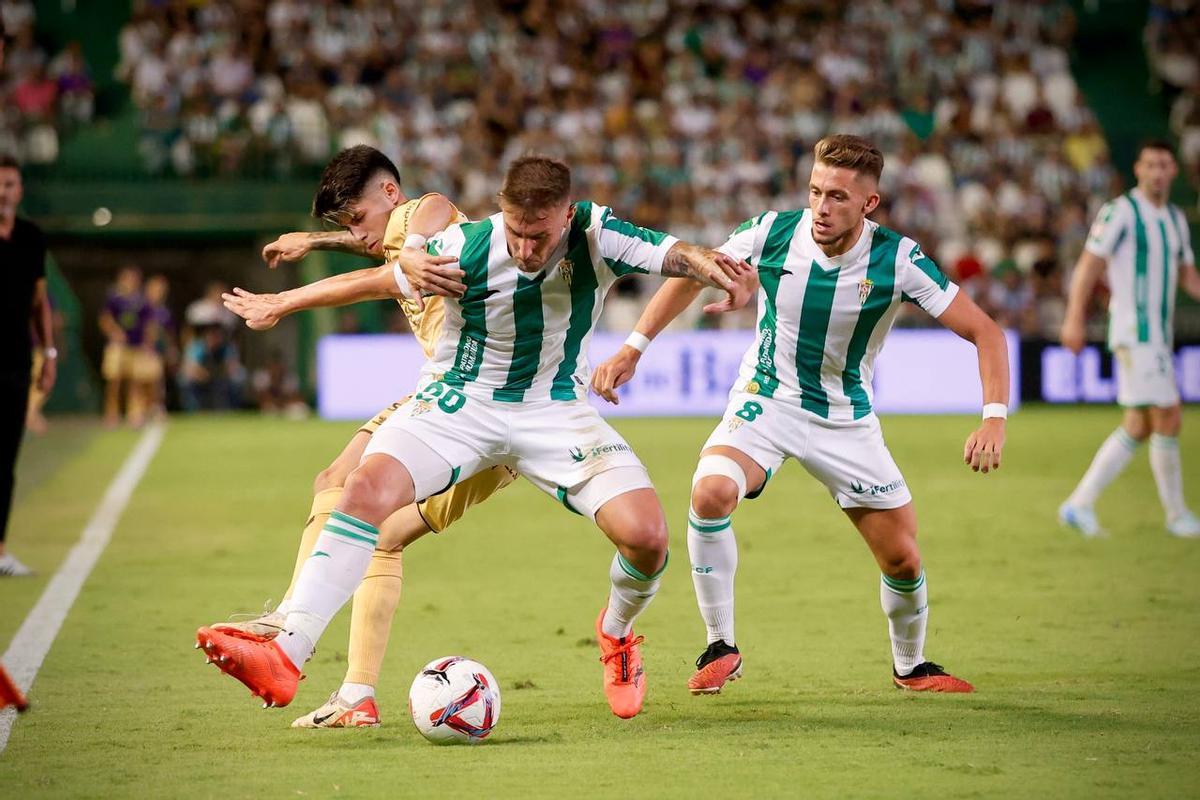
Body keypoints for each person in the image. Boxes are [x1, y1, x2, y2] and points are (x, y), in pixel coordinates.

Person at [198, 154, 755, 720]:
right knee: (361, 489)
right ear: (500, 213)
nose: (525, 249)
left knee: (647, 539)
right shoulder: (466, 244)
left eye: (539, 236)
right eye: (515, 231)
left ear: (566, 216)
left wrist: (719, 272)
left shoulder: (597, 232)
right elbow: (374, 278)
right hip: (460, 402)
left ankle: (616, 633)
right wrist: (288, 297)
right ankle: (288, 651)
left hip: (553, 410)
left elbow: (678, 254)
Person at [592, 134, 1009, 695]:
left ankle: (910, 667)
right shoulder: (772, 232)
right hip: (767, 400)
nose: (822, 207)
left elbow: (985, 331)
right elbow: (694, 272)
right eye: (815, 191)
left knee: (903, 559)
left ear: (869, 204)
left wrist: (994, 416)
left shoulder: (899, 260)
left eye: (838, 196)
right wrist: (632, 347)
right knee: (710, 491)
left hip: (845, 419)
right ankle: (721, 644)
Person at [203, 144, 519, 729]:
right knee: (373, 530)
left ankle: (290, 626)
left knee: (344, 490)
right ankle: (355, 695)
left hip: (469, 412)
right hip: (475, 413)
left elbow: (424, 218)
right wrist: (315, 240)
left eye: (356, 217)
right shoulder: (401, 228)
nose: (359, 232)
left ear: (390, 194)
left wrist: (285, 300)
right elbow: (380, 241)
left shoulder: (419, 215)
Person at [1058, 140, 1200, 538]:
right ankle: (1176, 515)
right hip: (1134, 331)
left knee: (1139, 425)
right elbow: (1089, 265)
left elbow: (1188, 275)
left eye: (1165, 165)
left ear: (1174, 171)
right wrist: (1073, 318)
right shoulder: (1121, 211)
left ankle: (1078, 504)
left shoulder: (1174, 218)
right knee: (1169, 415)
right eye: (1150, 164)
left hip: (1158, 333)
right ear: (1138, 169)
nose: (1157, 172)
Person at [0, 154, 56, 577]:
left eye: (11, 184)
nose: (4, 191)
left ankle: (0, 550)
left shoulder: (31, 237)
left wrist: (48, 354)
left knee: (5, 461)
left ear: (20, 190)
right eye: (0, 183)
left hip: (16, 359)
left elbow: (40, 301)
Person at [98, 265, 152, 427]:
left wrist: (147, 343)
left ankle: (135, 413)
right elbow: (104, 319)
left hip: (136, 346)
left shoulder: (143, 300)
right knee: (114, 380)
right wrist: (114, 332)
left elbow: (149, 324)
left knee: (136, 381)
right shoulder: (114, 298)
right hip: (117, 346)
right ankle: (111, 413)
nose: (132, 282)